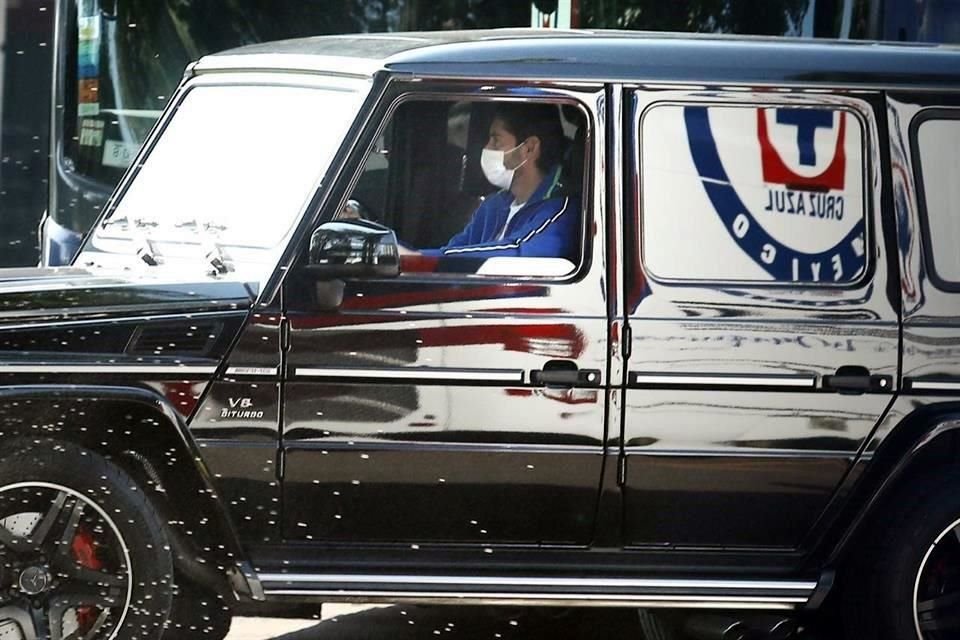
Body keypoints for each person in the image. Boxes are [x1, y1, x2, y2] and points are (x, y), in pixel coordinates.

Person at [420, 103, 580, 260]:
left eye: (496, 141)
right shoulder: (493, 205)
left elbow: (517, 254)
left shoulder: (560, 211)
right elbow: (453, 253)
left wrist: (420, 257)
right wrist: (419, 259)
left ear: (529, 148)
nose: (487, 148)